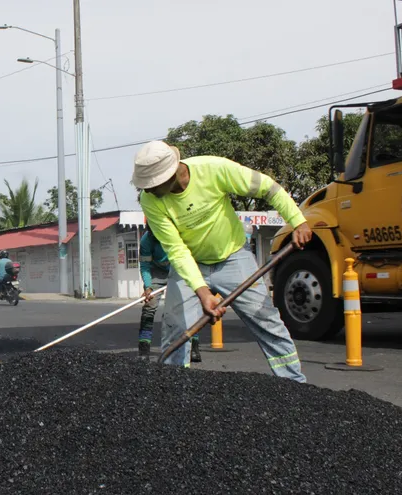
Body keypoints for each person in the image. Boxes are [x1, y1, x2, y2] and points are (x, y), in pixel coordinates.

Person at [131, 140, 311, 382]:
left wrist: (297, 221)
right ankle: (173, 391)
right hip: (191, 263)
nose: (148, 190)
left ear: (170, 174)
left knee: (266, 319)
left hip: (234, 257)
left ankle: (294, 383)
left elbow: (267, 187)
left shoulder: (213, 169)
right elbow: (176, 249)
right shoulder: (150, 200)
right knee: (175, 328)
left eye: (152, 185)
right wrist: (202, 291)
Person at [138, 222, 201, 362]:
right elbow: (145, 266)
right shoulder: (147, 240)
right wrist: (148, 287)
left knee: (188, 307)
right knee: (149, 306)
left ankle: (194, 348)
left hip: (179, 269)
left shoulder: (179, 234)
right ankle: (144, 349)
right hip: (157, 272)